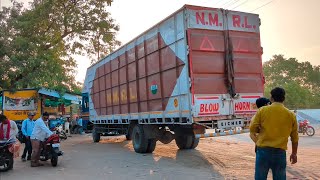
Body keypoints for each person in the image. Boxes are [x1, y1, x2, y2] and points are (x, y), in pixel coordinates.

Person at [250, 87, 299, 180]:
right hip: (280, 153)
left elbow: (252, 128)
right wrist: (294, 154)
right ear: (283, 99)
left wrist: (260, 131)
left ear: (271, 98)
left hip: (263, 151)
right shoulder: (291, 115)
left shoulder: (262, 110)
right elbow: (295, 138)